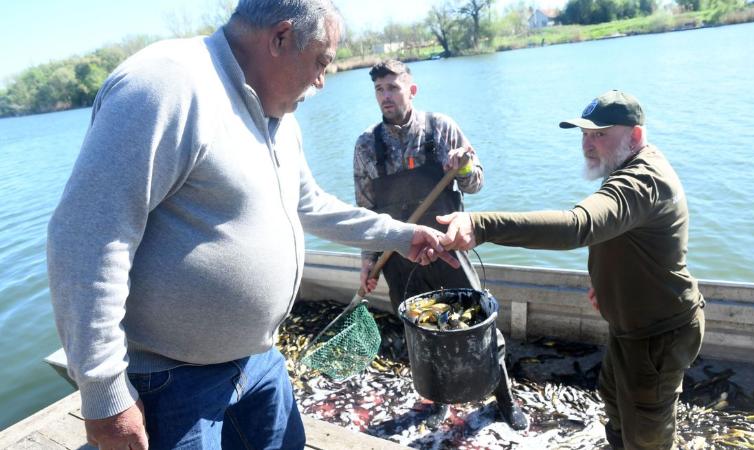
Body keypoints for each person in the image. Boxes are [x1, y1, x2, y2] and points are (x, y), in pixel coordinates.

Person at [46, 2, 458, 449]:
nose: (322, 81)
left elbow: (311, 204)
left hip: (259, 360)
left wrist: (401, 235)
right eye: (321, 62)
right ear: (280, 39)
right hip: (171, 379)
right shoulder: (165, 86)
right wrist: (105, 396)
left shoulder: (279, 113)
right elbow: (85, 240)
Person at [438, 90, 706, 449]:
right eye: (584, 134)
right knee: (613, 399)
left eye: (600, 134)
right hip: (629, 325)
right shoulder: (625, 165)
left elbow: (579, 225)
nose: (588, 144)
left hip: (660, 332)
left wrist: (482, 225)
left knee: (647, 433)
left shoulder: (642, 180)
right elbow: (620, 233)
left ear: (636, 136)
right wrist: (605, 283)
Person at [352, 59, 528, 431]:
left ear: (411, 90)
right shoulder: (367, 145)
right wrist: (367, 262)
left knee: (480, 324)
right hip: (399, 257)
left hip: (450, 251)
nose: (386, 96)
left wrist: (462, 168)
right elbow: (364, 211)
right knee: (422, 334)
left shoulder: (441, 128)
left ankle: (504, 399)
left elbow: (476, 182)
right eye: (379, 90)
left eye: (393, 88)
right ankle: (437, 399)